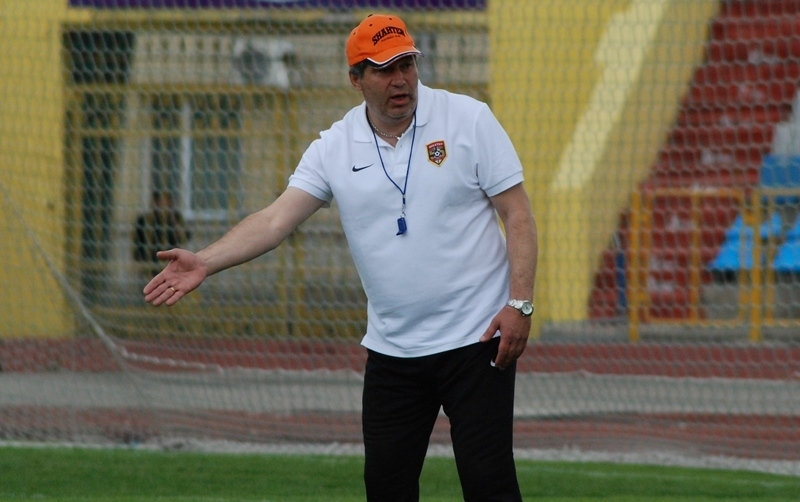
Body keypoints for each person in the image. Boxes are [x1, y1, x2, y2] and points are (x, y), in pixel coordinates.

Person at [143, 13, 538, 502]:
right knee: (385, 488)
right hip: (394, 351)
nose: (400, 79)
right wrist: (205, 261)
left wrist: (520, 303)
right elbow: (274, 221)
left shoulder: (469, 119)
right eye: (384, 69)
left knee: (489, 484)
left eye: (407, 64)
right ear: (356, 79)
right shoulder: (334, 146)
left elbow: (517, 214)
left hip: (477, 341)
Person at [133, 190, 191, 278]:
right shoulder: (146, 219)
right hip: (150, 260)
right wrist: (139, 259)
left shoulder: (175, 218)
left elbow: (186, 236)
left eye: (167, 201)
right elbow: (138, 240)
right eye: (161, 201)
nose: (164, 204)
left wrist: (179, 230)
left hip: (171, 261)